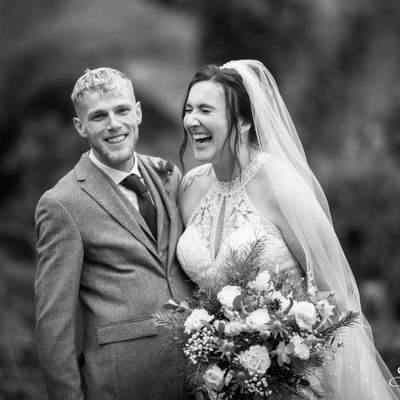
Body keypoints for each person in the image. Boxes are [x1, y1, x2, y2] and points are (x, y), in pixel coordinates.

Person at [176, 60, 400, 399]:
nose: (191, 120)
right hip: (214, 385)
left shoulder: (279, 184)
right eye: (189, 109)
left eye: (206, 110)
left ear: (244, 122)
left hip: (290, 383)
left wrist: (289, 363)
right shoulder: (190, 188)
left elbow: (331, 295)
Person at [34, 67, 194, 400]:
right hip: (122, 385)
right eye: (98, 116)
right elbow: (54, 327)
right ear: (81, 126)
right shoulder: (62, 203)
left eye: (121, 110)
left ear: (137, 112)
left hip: (196, 376)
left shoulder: (169, 176)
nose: (113, 124)